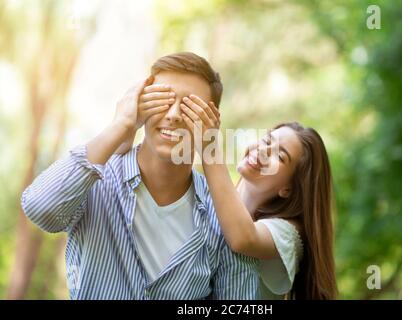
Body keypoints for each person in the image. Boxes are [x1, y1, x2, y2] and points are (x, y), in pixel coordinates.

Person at [21, 52, 259, 299]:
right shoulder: (96, 179)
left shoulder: (225, 218)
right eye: (163, 100)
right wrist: (122, 124)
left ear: (211, 121)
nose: (174, 114)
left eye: (190, 107)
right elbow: (40, 209)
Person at [179, 100, 338, 299]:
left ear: (288, 189)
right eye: (266, 141)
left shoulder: (288, 234)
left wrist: (209, 146)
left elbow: (243, 239)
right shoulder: (206, 201)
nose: (263, 152)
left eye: (279, 156)